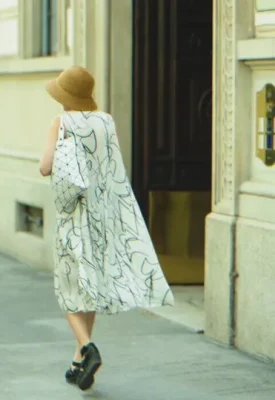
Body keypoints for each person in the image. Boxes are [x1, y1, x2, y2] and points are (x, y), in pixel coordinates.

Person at [38, 66, 175, 391]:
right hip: (104, 216)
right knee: (92, 287)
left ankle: (87, 348)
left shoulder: (61, 122)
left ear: (64, 97)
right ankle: (77, 363)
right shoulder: (106, 121)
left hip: (75, 215)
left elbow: (45, 166)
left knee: (69, 291)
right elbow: (113, 168)